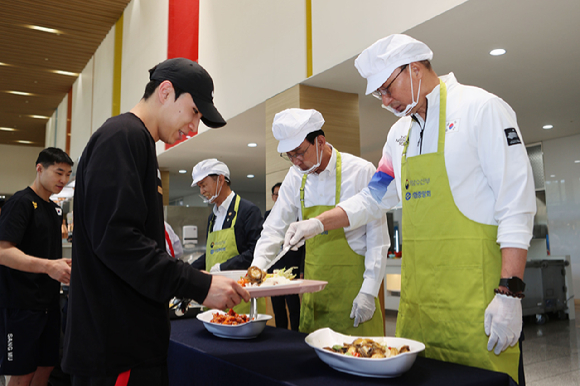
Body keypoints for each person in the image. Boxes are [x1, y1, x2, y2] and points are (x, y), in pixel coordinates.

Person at [283, 34, 536, 384]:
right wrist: (317, 224)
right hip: (420, 309)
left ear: (415, 69)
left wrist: (510, 292)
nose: (386, 102)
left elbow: (516, 204)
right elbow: (374, 197)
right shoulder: (399, 135)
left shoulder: (481, 108)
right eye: (379, 95)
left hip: (479, 305)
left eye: (388, 89)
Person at [62, 58, 250, 386]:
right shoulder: (122, 138)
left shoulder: (139, 143)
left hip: (132, 343)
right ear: (166, 92)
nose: (194, 128)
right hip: (117, 348)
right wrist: (198, 286)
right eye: (194, 112)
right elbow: (120, 241)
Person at [252, 108, 390, 336]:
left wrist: (369, 290)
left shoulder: (359, 171)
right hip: (315, 299)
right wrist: (257, 266)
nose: (296, 161)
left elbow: (378, 239)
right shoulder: (295, 176)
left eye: (299, 152)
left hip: (353, 293)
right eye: (289, 156)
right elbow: (274, 227)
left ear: (320, 141)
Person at [0, 147, 74, 386]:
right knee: (23, 373)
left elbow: (45, 254)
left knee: (46, 367)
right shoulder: (20, 203)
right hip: (21, 305)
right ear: (39, 168)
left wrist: (60, 265)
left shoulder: (55, 210)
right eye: (58, 172)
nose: (63, 180)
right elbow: (3, 252)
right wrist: (48, 266)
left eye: (68, 174)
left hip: (49, 304)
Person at [190, 159, 264, 314]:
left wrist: (222, 268)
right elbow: (211, 254)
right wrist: (188, 270)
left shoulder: (248, 211)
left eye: (204, 185)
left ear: (221, 179)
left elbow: (255, 252)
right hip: (215, 297)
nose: (202, 191)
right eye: (200, 187)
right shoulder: (213, 217)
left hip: (241, 298)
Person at [264, 182, 303, 331]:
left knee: (293, 306)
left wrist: (301, 269)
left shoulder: (296, 215)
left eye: (282, 194)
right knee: (277, 306)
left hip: (292, 267)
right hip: (275, 267)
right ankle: (281, 335)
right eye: (276, 194)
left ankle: (295, 335)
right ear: (273, 197)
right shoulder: (268, 215)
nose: (279, 197)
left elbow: (303, 246)